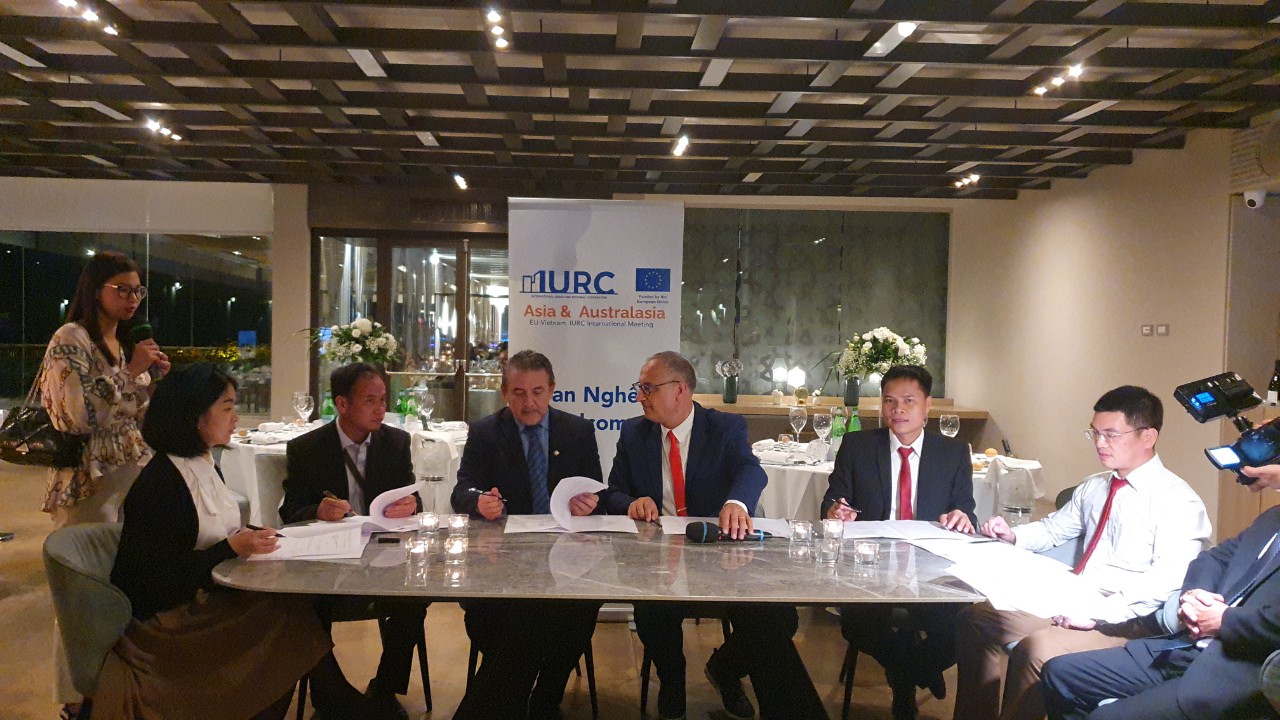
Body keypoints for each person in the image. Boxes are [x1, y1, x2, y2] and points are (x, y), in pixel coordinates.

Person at [103, 364, 359, 719]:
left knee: (295, 604)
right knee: (288, 617)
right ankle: (332, 700)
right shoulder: (162, 482)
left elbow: (214, 533)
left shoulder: (204, 463)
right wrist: (229, 549)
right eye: (227, 407)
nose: (235, 417)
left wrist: (250, 536)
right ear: (195, 417)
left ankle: (332, 700)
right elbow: (148, 584)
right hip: (166, 622)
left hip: (202, 597)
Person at [952, 385, 1211, 720]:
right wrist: (1013, 535)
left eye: (1111, 434)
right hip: (1075, 596)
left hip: (1130, 617)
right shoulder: (1096, 486)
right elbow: (1054, 529)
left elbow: (1167, 580)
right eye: (1095, 433)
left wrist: (1098, 613)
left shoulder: (1177, 500)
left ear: (1148, 437)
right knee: (976, 620)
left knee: (1038, 648)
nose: (1100, 443)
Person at [599, 351, 829, 720]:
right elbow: (613, 492)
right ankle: (672, 678)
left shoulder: (724, 427)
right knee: (652, 610)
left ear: (680, 390)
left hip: (721, 552)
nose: (640, 396)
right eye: (639, 388)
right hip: (658, 553)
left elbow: (750, 470)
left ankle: (725, 668)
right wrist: (631, 503)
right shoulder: (634, 432)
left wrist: (736, 502)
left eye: (648, 388)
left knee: (778, 619)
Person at [40, 250, 169, 718]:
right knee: (81, 593)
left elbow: (131, 413)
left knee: (123, 586)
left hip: (130, 479)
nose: (133, 299)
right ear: (96, 290)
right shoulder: (70, 338)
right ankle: (76, 699)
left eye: (138, 290)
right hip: (88, 482)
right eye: (123, 289)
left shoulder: (125, 341)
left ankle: (116, 689)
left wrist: (152, 384)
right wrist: (131, 372)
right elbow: (79, 416)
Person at [450, 349, 603, 720]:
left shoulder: (578, 431)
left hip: (564, 558)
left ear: (552, 389)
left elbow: (597, 492)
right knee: (521, 619)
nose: (529, 402)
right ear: (505, 392)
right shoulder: (486, 432)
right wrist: (479, 501)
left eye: (537, 392)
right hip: (502, 561)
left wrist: (588, 504)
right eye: (518, 393)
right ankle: (540, 704)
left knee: (576, 610)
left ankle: (532, 698)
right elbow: (461, 492)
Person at [820, 364, 976, 720]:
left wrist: (962, 517)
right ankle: (914, 673)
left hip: (930, 566)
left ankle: (905, 672)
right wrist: (835, 510)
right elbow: (832, 499)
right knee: (857, 625)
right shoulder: (858, 446)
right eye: (890, 401)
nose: (898, 409)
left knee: (963, 629)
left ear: (928, 405)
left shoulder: (953, 453)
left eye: (908, 401)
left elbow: (966, 511)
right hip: (869, 565)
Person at [1042, 495, 1280, 719]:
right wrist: (1194, 596)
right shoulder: (1272, 517)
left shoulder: (1179, 500)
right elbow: (1214, 558)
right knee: (1059, 674)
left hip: (1240, 669)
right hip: (1187, 645)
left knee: (1104, 717)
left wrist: (1223, 621)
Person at [280, 362, 425, 720]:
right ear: (342, 404)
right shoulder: (307, 448)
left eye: (383, 399)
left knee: (416, 596)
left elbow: (412, 497)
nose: (381, 409)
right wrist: (317, 509)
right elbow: (290, 510)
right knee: (304, 604)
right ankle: (330, 696)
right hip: (330, 557)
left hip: (383, 554)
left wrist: (410, 503)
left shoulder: (396, 442)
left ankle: (385, 688)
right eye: (370, 400)